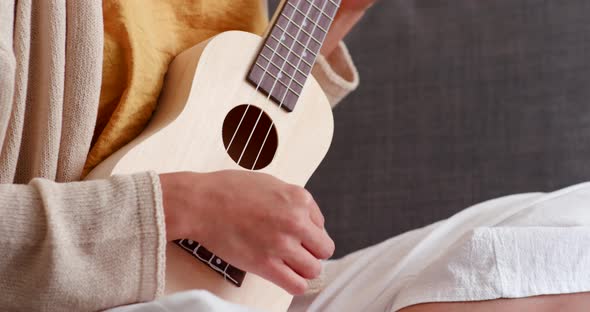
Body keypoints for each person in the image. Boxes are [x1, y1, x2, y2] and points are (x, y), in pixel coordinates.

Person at [1, 1, 589, 311]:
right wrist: (182, 208)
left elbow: (216, 111)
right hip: (80, 294)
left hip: (251, 295)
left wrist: (338, 15)